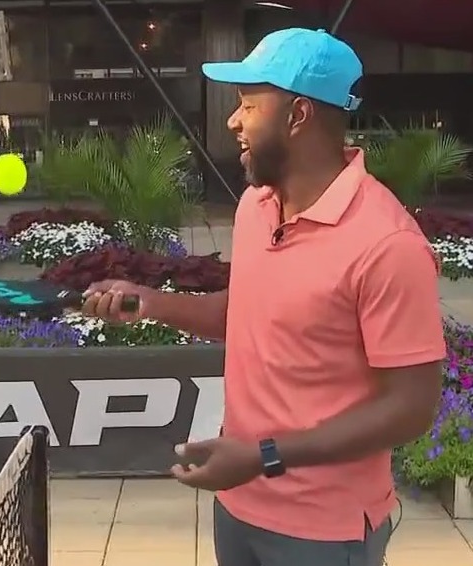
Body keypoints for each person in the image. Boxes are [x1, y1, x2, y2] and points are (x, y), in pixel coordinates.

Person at [81, 29, 444, 566]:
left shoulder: (387, 245)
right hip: (238, 504)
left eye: (248, 105)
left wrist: (265, 456)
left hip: (323, 532)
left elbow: (412, 408)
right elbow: (242, 312)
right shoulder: (257, 207)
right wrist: (150, 302)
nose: (233, 122)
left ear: (298, 116)